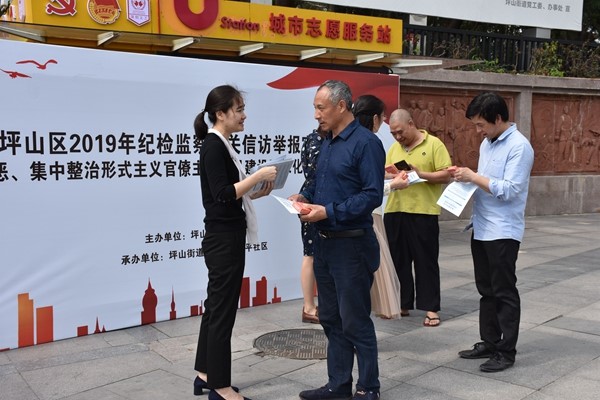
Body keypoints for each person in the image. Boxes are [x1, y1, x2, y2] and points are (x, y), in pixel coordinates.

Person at [290, 80, 385, 400]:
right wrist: (304, 197)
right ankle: (338, 384)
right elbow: (318, 183)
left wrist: (328, 211)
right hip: (324, 244)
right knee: (330, 317)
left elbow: (371, 195)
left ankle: (368, 387)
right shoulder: (327, 142)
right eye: (315, 108)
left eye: (321, 108)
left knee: (355, 320)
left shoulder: (366, 143)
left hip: (352, 245)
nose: (316, 115)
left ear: (341, 106)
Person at [193, 85, 277, 400]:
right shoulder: (214, 145)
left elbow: (232, 194)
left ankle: (205, 374)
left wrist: (257, 191)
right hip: (223, 239)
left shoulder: (221, 144)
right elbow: (222, 193)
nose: (244, 116)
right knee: (222, 311)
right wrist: (257, 177)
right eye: (239, 109)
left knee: (216, 307)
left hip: (226, 234)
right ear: (220, 113)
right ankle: (220, 386)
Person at [452, 92, 534, 372]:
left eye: (481, 125)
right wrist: (465, 179)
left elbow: (510, 189)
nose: (478, 131)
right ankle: (489, 341)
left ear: (498, 118)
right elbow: (486, 181)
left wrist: (473, 176)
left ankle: (506, 352)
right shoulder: (488, 143)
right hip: (482, 227)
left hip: (503, 231)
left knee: (504, 291)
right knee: (486, 290)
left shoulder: (520, 147)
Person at [384, 109, 452, 327]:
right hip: (395, 210)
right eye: (393, 133)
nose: (398, 137)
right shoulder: (394, 148)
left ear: (411, 124)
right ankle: (402, 303)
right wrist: (393, 175)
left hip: (423, 212)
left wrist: (419, 174)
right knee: (398, 260)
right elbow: (385, 174)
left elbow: (446, 175)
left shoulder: (434, 144)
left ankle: (431, 308)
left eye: (400, 132)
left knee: (425, 261)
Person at [352, 94, 403, 319]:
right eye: (383, 118)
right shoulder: (370, 142)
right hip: (368, 214)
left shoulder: (347, 139)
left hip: (359, 214)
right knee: (373, 265)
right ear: (374, 118)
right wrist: (393, 185)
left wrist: (383, 174)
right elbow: (367, 191)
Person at [298, 127, 326, 324]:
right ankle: (309, 307)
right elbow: (316, 174)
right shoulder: (320, 140)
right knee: (311, 254)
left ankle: (311, 306)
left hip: (310, 196)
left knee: (311, 254)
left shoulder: (311, 138)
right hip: (314, 198)